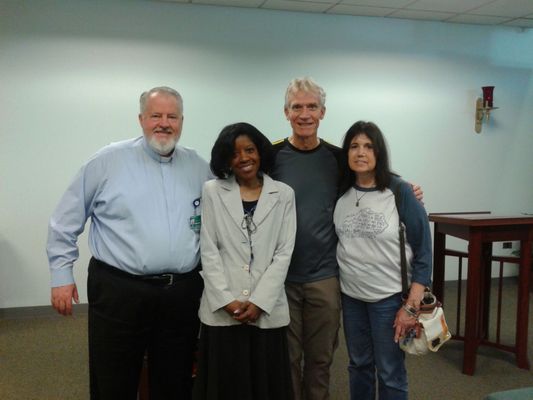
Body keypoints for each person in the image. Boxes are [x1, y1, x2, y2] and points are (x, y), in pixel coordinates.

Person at [46, 86, 212, 400]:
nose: (164, 123)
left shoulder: (198, 167)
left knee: (175, 379)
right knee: (114, 379)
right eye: (156, 116)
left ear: (181, 121)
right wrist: (61, 276)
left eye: (172, 116)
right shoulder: (108, 161)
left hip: (180, 294)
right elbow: (64, 222)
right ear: (141, 119)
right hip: (119, 291)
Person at [270, 77, 424, 400]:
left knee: (322, 361)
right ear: (286, 112)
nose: (305, 113)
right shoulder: (272, 157)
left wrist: (408, 190)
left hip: (326, 279)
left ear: (323, 112)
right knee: (287, 361)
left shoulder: (337, 158)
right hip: (282, 277)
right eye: (297, 107)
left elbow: (372, 177)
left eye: (312, 106)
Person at [193, 122, 296, 400]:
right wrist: (226, 300)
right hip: (223, 308)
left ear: (260, 152)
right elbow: (209, 249)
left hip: (267, 308)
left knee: (266, 384)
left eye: (249, 150)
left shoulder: (284, 194)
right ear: (226, 159)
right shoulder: (213, 191)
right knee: (225, 384)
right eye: (234, 153)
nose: (243, 158)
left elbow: (283, 253)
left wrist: (260, 301)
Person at [333, 121, 432, 400]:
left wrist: (411, 307)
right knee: (359, 366)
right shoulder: (340, 192)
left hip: (389, 300)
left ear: (379, 152)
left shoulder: (400, 192)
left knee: (390, 372)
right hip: (351, 297)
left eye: (368, 146)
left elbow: (424, 252)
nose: (361, 152)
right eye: (354, 146)